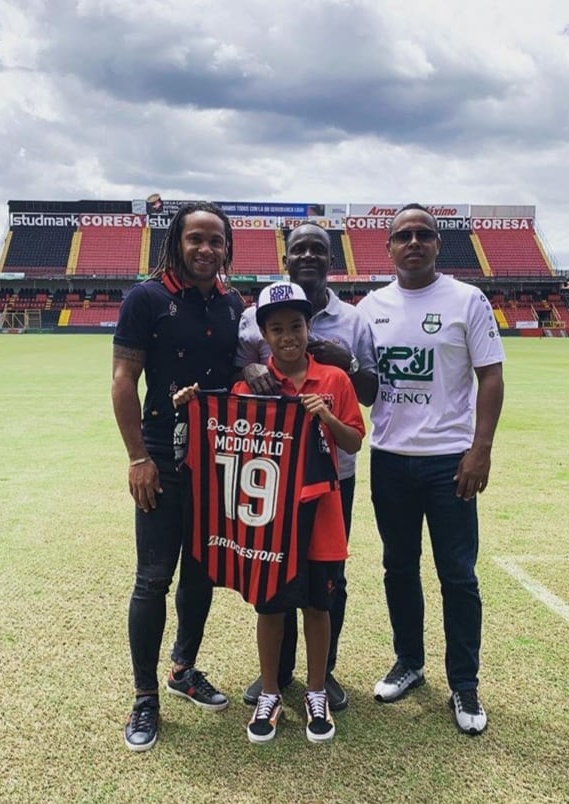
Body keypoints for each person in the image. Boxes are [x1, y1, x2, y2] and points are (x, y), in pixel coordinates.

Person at [174, 281, 364, 744]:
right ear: (263, 336)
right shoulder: (249, 386)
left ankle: (316, 690)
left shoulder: (334, 381)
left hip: (321, 512)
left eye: (295, 326)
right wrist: (190, 407)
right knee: (271, 605)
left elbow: (355, 441)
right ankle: (271, 692)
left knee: (319, 604)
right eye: (276, 329)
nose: (288, 337)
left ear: (307, 328)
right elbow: (220, 433)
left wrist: (326, 416)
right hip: (269, 521)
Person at [356, 203, 505, 736]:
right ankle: (410, 663)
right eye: (403, 235)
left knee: (458, 576)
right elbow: (361, 380)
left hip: (449, 462)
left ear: (437, 244)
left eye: (424, 234)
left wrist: (480, 449)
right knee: (399, 567)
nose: (414, 242)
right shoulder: (370, 306)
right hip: (390, 458)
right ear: (389, 247)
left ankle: (464, 683)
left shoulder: (467, 300)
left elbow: (490, 376)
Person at [111, 201, 245, 752]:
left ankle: (183, 668)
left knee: (201, 572)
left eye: (216, 240)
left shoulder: (232, 301)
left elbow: (235, 370)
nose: (206, 249)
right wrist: (138, 457)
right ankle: (145, 697)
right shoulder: (147, 298)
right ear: (177, 242)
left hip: (216, 457)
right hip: (163, 458)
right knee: (153, 578)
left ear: (226, 247)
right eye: (196, 239)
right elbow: (124, 381)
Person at [236, 223, 377, 712]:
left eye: (319, 248)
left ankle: (325, 674)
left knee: (325, 576)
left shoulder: (353, 322)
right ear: (287, 256)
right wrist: (245, 371)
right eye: (300, 248)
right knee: (275, 575)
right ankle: (279, 676)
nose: (310, 255)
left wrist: (349, 368)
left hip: (333, 478)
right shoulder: (253, 319)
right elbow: (241, 387)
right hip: (275, 480)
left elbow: (369, 395)